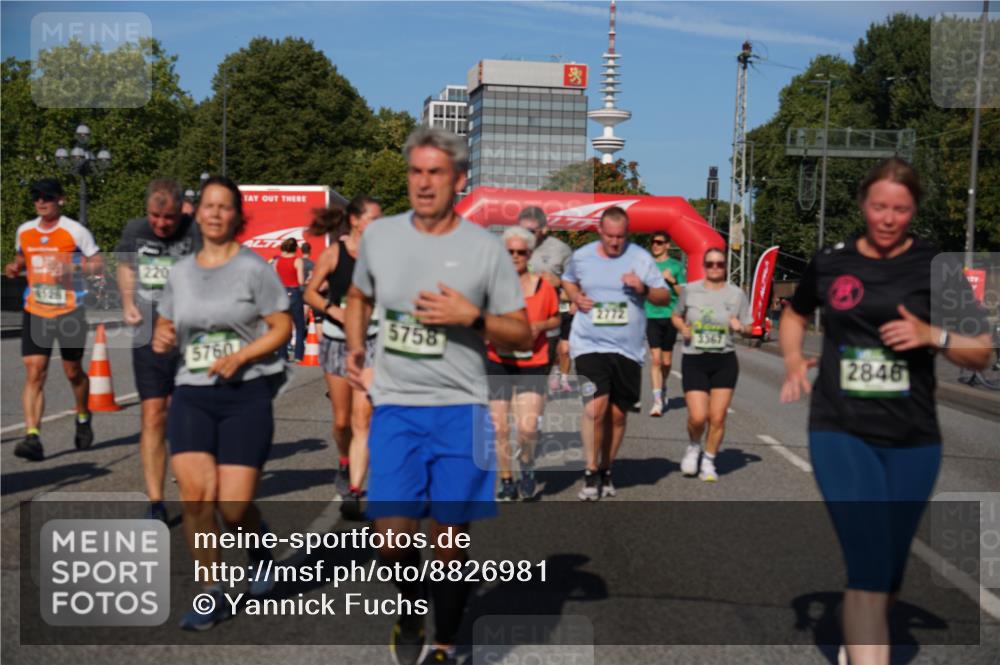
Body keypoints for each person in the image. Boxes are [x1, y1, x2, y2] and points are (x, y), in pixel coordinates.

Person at [779, 157, 991, 665]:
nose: (889, 218)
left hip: (914, 437)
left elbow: (981, 350)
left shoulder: (934, 267)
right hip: (841, 429)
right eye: (879, 206)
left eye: (901, 208)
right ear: (862, 205)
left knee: (890, 567)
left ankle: (860, 638)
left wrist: (931, 335)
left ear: (914, 210)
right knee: (870, 564)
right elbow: (794, 312)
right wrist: (791, 361)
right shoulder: (831, 261)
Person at [345, 126, 531, 665]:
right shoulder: (381, 238)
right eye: (415, 172)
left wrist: (471, 317)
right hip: (397, 407)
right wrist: (357, 346)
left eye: (436, 173)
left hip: (460, 408)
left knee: (449, 543)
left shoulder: (484, 250)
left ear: (459, 180)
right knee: (391, 539)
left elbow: (520, 333)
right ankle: (411, 606)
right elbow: (358, 295)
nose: (423, 184)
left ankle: (445, 646)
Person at [152, 175, 293, 631]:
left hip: (246, 393)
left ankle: (258, 548)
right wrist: (162, 335)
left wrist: (243, 355)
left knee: (233, 507)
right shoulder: (182, 271)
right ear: (199, 213)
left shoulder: (254, 268)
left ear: (237, 215)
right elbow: (168, 321)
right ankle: (211, 591)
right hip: (192, 392)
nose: (215, 213)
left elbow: (281, 327)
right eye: (208, 205)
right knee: (195, 498)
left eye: (224, 206)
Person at [561, 207, 669, 501]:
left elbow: (664, 296)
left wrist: (643, 287)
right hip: (589, 343)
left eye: (620, 237)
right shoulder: (582, 256)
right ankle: (590, 469)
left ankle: (607, 469)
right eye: (609, 236)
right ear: (600, 231)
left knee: (618, 415)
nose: (615, 243)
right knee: (595, 408)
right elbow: (567, 279)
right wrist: (574, 296)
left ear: (628, 234)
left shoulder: (641, 258)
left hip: (628, 348)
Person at [116, 178, 201, 522]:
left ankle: (195, 484)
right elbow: (125, 266)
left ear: (181, 210)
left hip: (190, 333)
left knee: (186, 413)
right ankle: (156, 501)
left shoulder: (196, 233)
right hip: (147, 330)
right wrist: (127, 303)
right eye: (155, 216)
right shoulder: (135, 231)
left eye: (167, 218)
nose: (161, 224)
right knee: (152, 414)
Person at [6, 178, 103, 461]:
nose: (40, 201)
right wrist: (14, 267)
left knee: (73, 372)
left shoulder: (75, 231)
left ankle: (83, 415)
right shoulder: (24, 231)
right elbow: (21, 259)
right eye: (36, 196)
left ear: (60, 199)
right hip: (36, 310)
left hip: (69, 311)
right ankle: (32, 436)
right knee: (35, 371)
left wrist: (70, 266)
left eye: (47, 196)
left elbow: (97, 263)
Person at [303, 196, 382, 514]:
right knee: (341, 421)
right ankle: (345, 459)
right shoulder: (334, 253)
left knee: (363, 418)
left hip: (372, 340)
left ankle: (353, 489)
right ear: (355, 220)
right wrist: (333, 310)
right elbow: (310, 292)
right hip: (336, 342)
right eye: (373, 218)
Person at [487, 226, 560, 502]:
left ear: (529, 254)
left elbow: (556, 318)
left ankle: (527, 467)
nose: (515, 256)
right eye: (510, 252)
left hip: (533, 363)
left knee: (527, 427)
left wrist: (540, 325)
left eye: (521, 251)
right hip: (498, 362)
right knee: (499, 428)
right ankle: (507, 480)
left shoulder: (544, 286)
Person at [670, 248, 750, 482]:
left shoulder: (736, 294)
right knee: (697, 416)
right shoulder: (690, 290)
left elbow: (749, 326)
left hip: (724, 360)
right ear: (704, 266)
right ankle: (694, 445)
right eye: (711, 264)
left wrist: (740, 327)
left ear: (725, 267)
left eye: (720, 264)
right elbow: (676, 315)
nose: (715, 268)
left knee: (717, 417)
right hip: (694, 358)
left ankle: (709, 459)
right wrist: (682, 327)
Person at [517, 207, 573, 393]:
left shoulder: (561, 250)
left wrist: (559, 282)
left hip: (547, 325)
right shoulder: (511, 246)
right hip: (516, 320)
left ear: (544, 228)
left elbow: (577, 285)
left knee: (538, 379)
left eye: (531, 231)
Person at [644, 231, 686, 416]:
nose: (655, 245)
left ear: (667, 245)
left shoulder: (676, 266)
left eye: (659, 242)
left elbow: (682, 293)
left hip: (670, 316)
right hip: (651, 315)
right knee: (656, 359)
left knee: (667, 362)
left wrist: (672, 280)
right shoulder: (646, 265)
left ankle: (664, 385)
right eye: (653, 242)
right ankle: (657, 400)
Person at [272, 237, 306, 361]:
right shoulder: (297, 261)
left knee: (282, 324)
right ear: (296, 248)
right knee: (299, 325)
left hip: (281, 292)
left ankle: (282, 354)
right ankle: (298, 355)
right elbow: (301, 280)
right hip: (294, 292)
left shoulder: (277, 261)